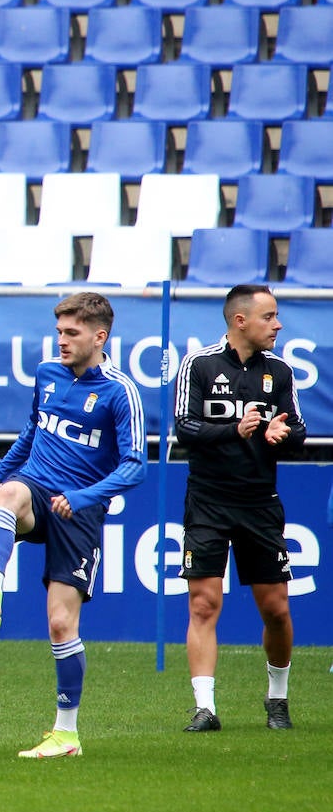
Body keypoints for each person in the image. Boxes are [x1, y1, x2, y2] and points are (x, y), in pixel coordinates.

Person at [0, 292, 146, 759]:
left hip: (79, 512)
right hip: (37, 490)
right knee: (9, 495)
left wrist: (84, 496)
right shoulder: (46, 374)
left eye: (72, 333)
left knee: (62, 625)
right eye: (59, 331)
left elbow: (135, 466)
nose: (61, 340)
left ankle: (66, 734)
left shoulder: (119, 392)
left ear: (99, 336)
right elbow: (32, 430)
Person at [174, 284, 305, 733]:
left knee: (276, 609)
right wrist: (236, 429)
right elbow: (184, 427)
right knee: (204, 604)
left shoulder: (280, 372)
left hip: (259, 503)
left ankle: (277, 698)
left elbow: (299, 430)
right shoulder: (200, 364)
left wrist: (280, 434)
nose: (278, 324)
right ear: (240, 320)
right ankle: (205, 708)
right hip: (208, 500)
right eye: (269, 316)